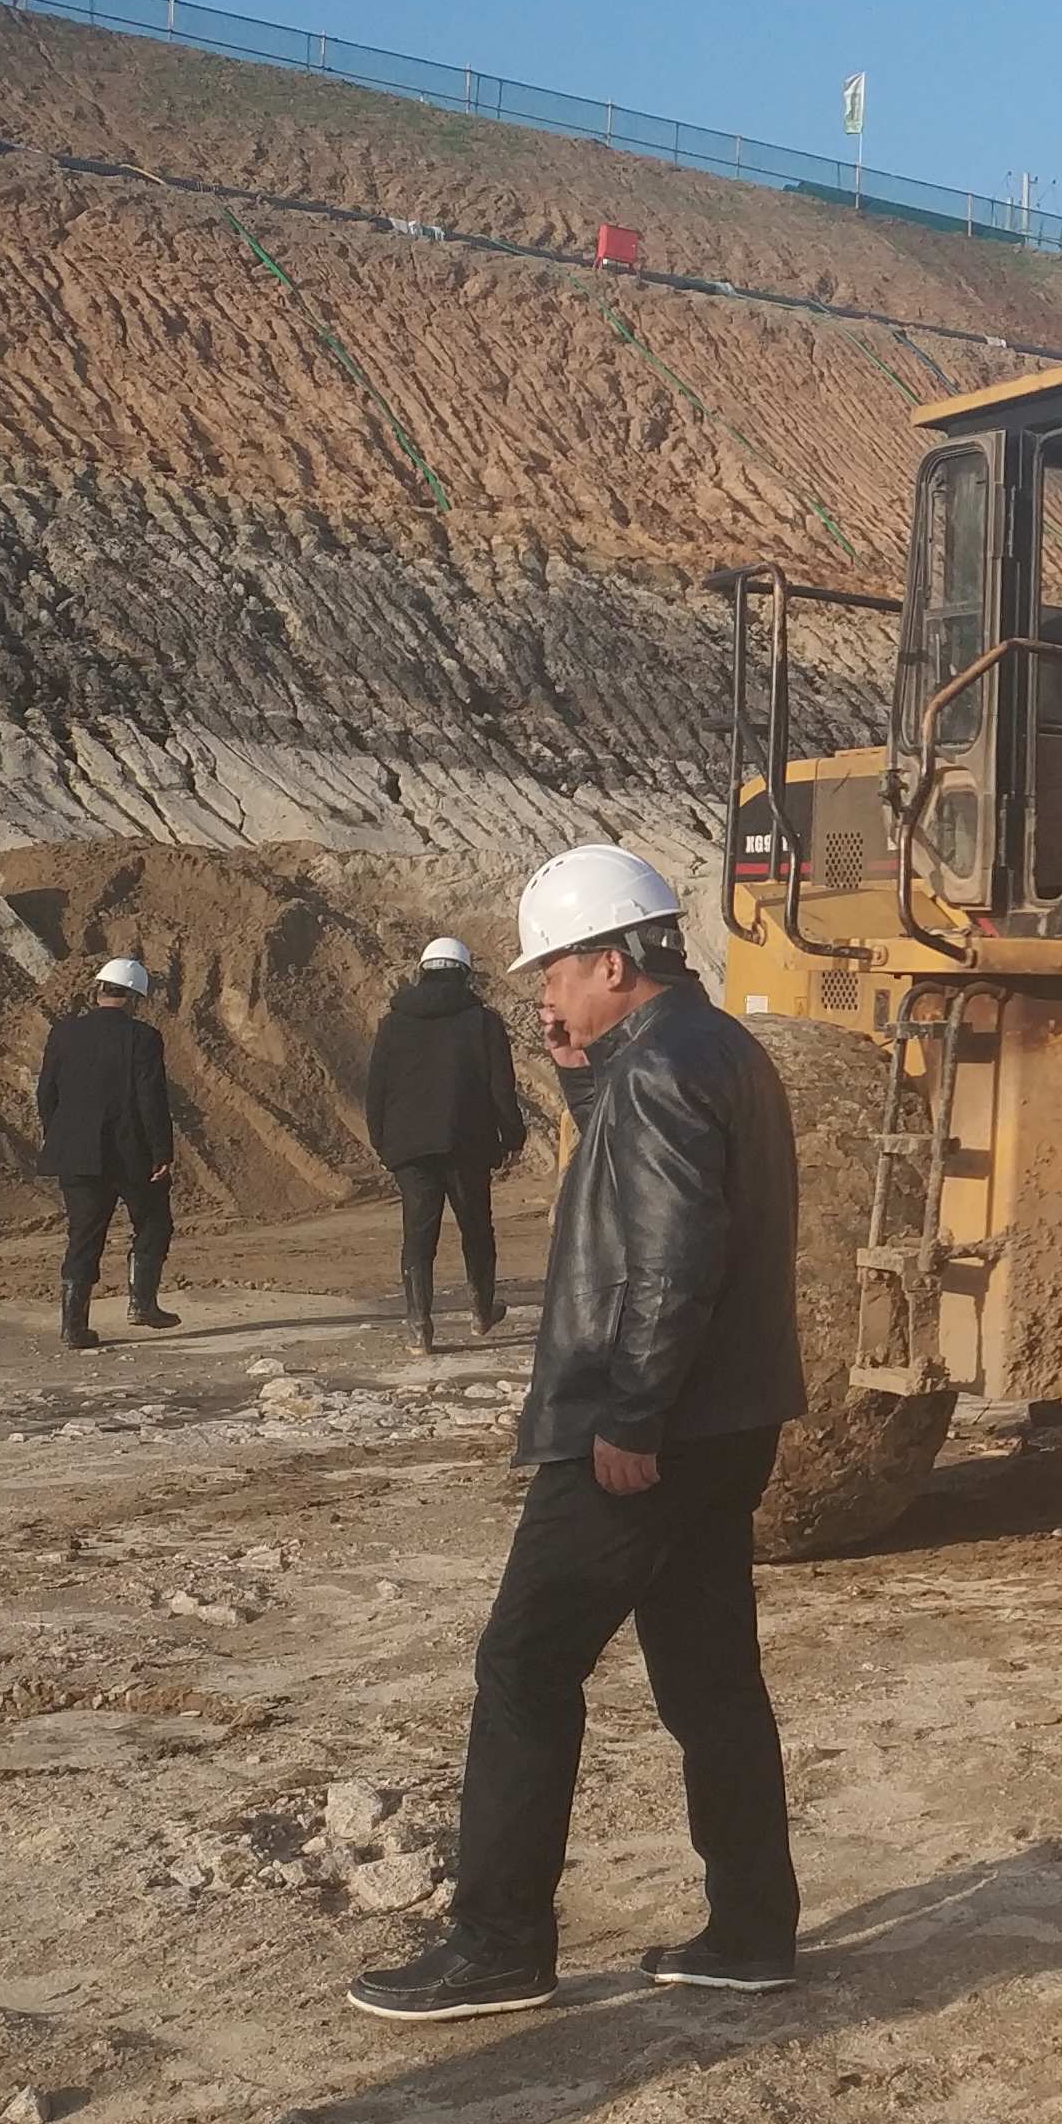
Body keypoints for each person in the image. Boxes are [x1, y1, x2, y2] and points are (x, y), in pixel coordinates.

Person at [351, 845, 809, 2021]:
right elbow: (653, 1185)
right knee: (709, 1678)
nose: (545, 995)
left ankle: (498, 1942)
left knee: (524, 1665)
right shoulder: (712, 1050)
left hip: (640, 1427)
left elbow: (668, 1259)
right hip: (728, 1418)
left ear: (614, 962)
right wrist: (577, 1077)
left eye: (555, 970)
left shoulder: (658, 1072)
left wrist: (629, 1412)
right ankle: (752, 1929)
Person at [363, 934, 526, 1353]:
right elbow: (501, 1088)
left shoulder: (393, 1024)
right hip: (468, 1143)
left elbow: (376, 1090)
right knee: (476, 1229)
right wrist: (512, 1136)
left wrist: (383, 1143)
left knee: (418, 1237)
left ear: (422, 972)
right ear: (466, 974)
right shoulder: (483, 1023)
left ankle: (419, 1327)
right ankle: (482, 1312)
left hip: (410, 1148)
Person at [38, 956, 179, 1348]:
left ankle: (73, 1328)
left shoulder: (63, 1033)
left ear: (98, 990)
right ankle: (143, 1305)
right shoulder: (143, 1037)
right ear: (134, 998)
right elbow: (151, 1099)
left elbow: (46, 1093)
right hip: (130, 1154)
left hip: (77, 1155)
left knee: (83, 1235)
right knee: (154, 1222)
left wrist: (61, 1136)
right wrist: (161, 1152)